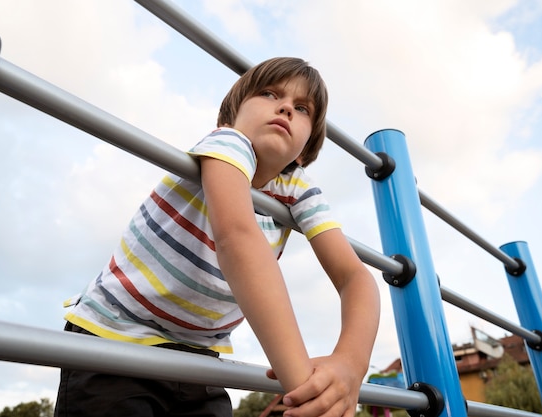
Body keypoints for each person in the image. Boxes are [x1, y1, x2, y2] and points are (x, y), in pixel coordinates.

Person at [54, 57, 381, 417]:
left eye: (302, 108)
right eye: (270, 93)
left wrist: (350, 364)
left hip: (199, 356)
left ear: (304, 149)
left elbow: (354, 278)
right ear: (231, 118)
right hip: (116, 337)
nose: (286, 107)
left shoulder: (297, 187)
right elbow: (237, 240)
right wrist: (307, 392)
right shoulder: (227, 143)